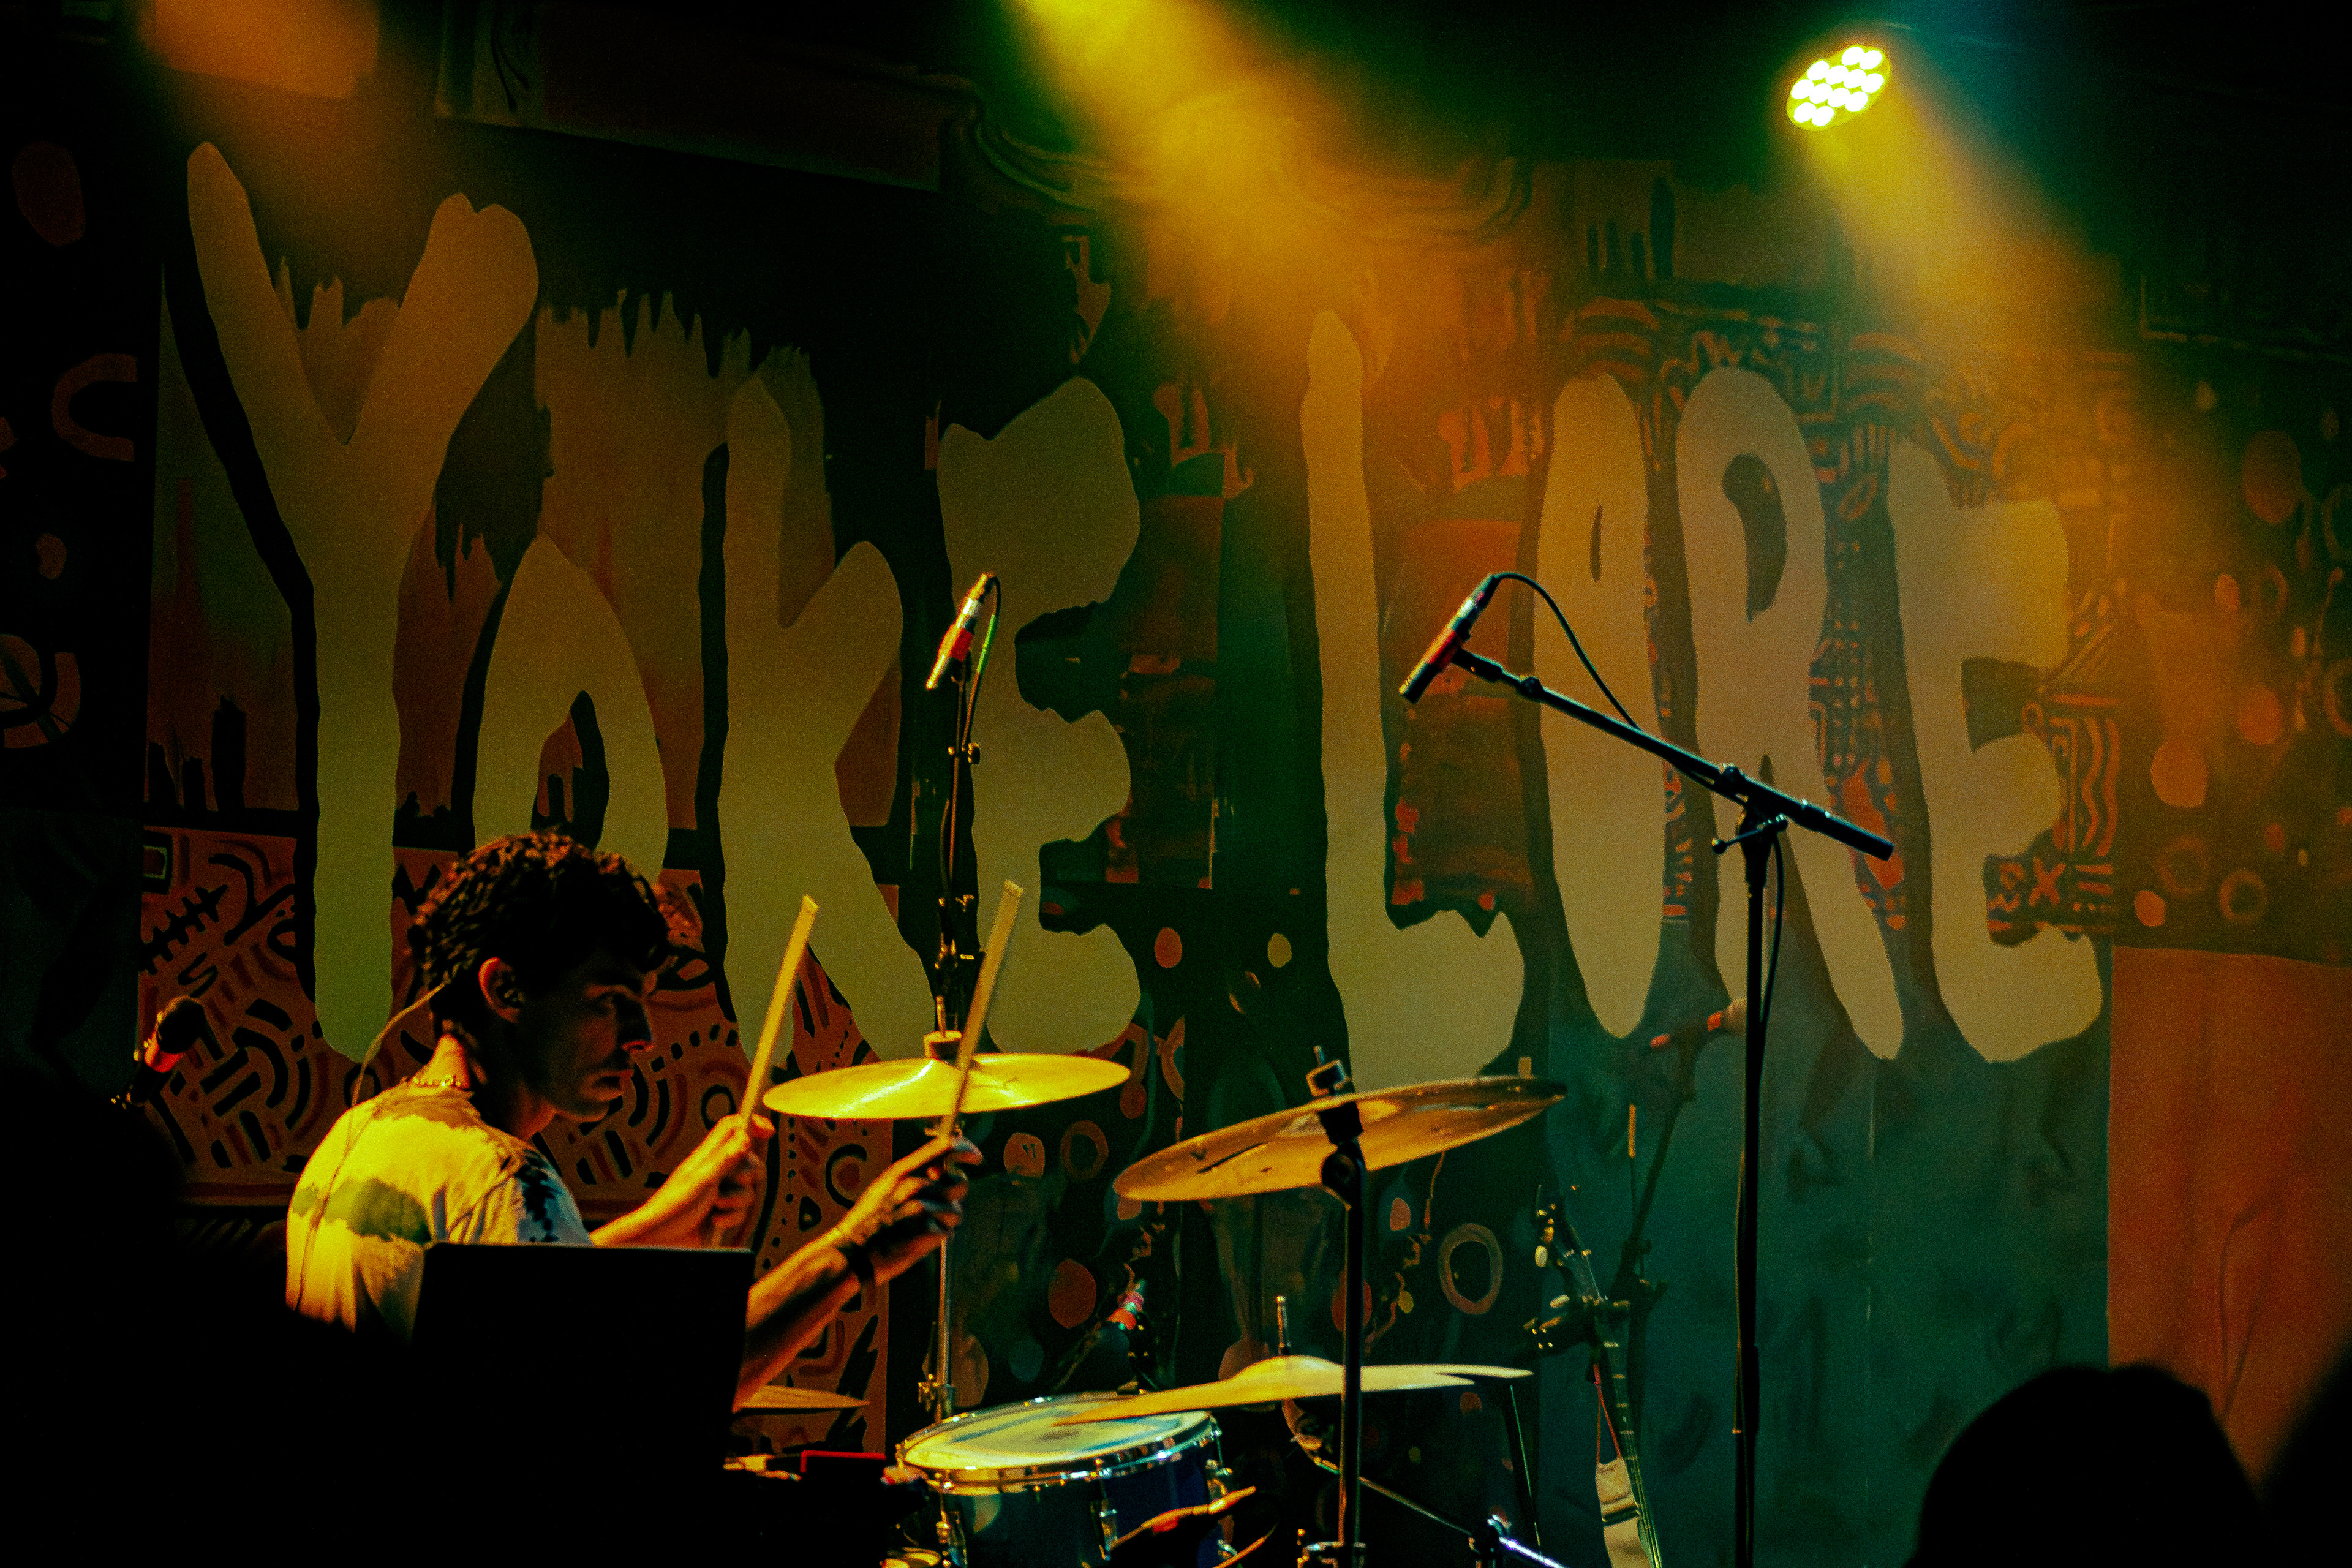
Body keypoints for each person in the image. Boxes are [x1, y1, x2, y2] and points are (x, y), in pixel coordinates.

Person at [286, 831, 970, 1406]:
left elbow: (506, 1309)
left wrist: (670, 1217)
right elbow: (644, 1400)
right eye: (611, 1000)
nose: (642, 1036)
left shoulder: (362, 1135)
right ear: (506, 988)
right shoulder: (504, 1179)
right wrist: (854, 1251)